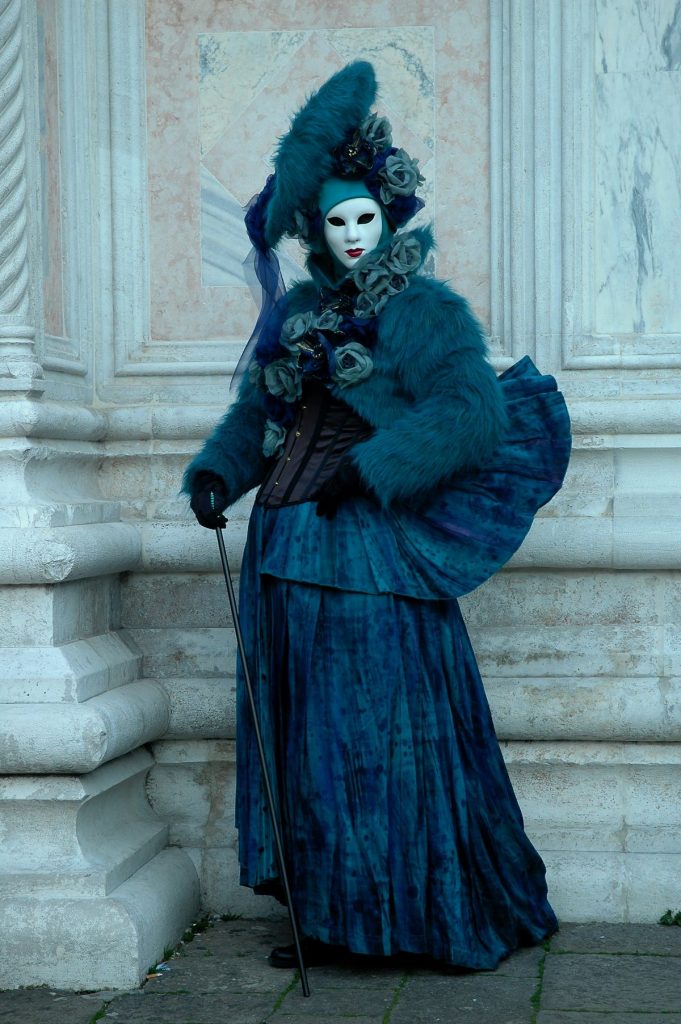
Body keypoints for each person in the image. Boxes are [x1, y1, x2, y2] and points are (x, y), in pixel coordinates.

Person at [183, 61, 571, 970]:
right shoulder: (305, 310)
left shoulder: (420, 306)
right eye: (335, 221)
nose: (353, 235)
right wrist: (217, 475)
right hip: (286, 552)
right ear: (315, 230)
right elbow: (259, 417)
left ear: (385, 217)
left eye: (365, 218)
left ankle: (402, 919)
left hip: (368, 555)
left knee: (377, 738)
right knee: (310, 740)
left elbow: (469, 411)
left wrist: (375, 467)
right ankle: (330, 919)